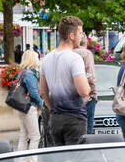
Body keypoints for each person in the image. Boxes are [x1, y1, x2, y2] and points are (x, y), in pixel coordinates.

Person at [39, 15, 91, 146]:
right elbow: (84, 91)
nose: (82, 37)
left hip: (55, 118)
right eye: (80, 33)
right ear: (72, 36)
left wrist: (53, 109)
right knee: (76, 161)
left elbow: (43, 92)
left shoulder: (46, 59)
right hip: (74, 118)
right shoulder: (75, 58)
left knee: (60, 160)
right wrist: (88, 84)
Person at [14, 48, 43, 150]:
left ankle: (22, 161)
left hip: (21, 106)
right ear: (32, 60)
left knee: (24, 136)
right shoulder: (30, 74)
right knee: (35, 136)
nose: (38, 60)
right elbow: (34, 93)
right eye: (37, 58)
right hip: (29, 107)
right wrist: (42, 103)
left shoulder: (22, 72)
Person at [76, 33, 98, 135]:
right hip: (86, 98)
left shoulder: (65, 53)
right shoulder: (86, 54)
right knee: (87, 133)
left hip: (69, 100)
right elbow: (90, 76)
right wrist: (93, 95)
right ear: (86, 42)